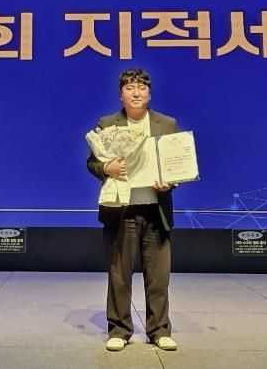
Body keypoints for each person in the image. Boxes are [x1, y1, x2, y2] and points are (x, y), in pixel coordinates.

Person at [87, 68, 179, 352]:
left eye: (141, 87)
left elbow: (176, 163)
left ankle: (159, 330)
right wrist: (107, 167)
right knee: (119, 274)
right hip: (122, 210)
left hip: (156, 210)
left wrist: (171, 181)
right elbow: (92, 163)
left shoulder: (167, 124)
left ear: (149, 94)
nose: (136, 92)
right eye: (130, 88)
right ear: (121, 95)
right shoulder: (107, 123)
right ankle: (119, 329)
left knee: (158, 276)